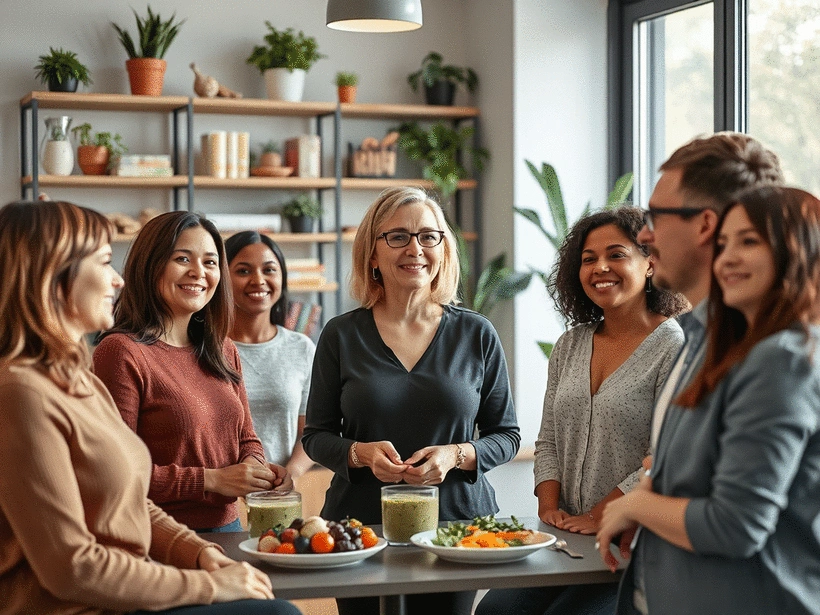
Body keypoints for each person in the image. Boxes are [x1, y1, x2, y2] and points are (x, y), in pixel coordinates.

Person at [0, 200, 300, 615]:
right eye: (104, 261)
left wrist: (200, 555)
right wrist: (206, 581)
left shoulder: (78, 380)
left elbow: (128, 497)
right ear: (52, 275)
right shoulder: (24, 393)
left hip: (193, 545)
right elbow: (72, 567)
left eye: (211, 261)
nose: (117, 280)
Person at [598, 186, 820, 615]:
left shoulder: (782, 358)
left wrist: (637, 504)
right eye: (724, 244)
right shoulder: (738, 348)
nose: (727, 259)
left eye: (749, 241)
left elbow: (735, 526)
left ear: (798, 251)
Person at [302, 186, 521, 615]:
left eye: (428, 236)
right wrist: (358, 453)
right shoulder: (340, 335)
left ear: (443, 249)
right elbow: (316, 436)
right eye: (398, 236)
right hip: (358, 532)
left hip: (457, 532)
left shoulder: (476, 334)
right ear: (372, 253)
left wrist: (456, 455)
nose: (415, 248)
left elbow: (507, 435)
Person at [476, 208, 686, 615]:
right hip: (564, 539)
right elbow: (549, 438)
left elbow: (666, 456)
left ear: (650, 263)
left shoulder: (672, 346)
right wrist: (549, 509)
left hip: (629, 545)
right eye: (588, 259)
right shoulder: (570, 344)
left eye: (616, 254)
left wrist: (598, 515)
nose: (599, 267)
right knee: (494, 612)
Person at [94, 211, 291, 533]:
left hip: (230, 528)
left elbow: (247, 437)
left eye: (210, 262)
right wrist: (212, 480)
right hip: (158, 537)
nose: (199, 273)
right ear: (150, 265)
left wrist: (255, 468)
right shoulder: (120, 352)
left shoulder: (222, 348)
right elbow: (115, 472)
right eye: (183, 259)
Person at [225, 231, 315, 479]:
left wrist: (291, 473)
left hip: (280, 492)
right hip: (220, 493)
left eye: (269, 270)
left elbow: (311, 432)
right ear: (222, 279)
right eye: (243, 271)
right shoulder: (204, 348)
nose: (258, 280)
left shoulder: (302, 347)